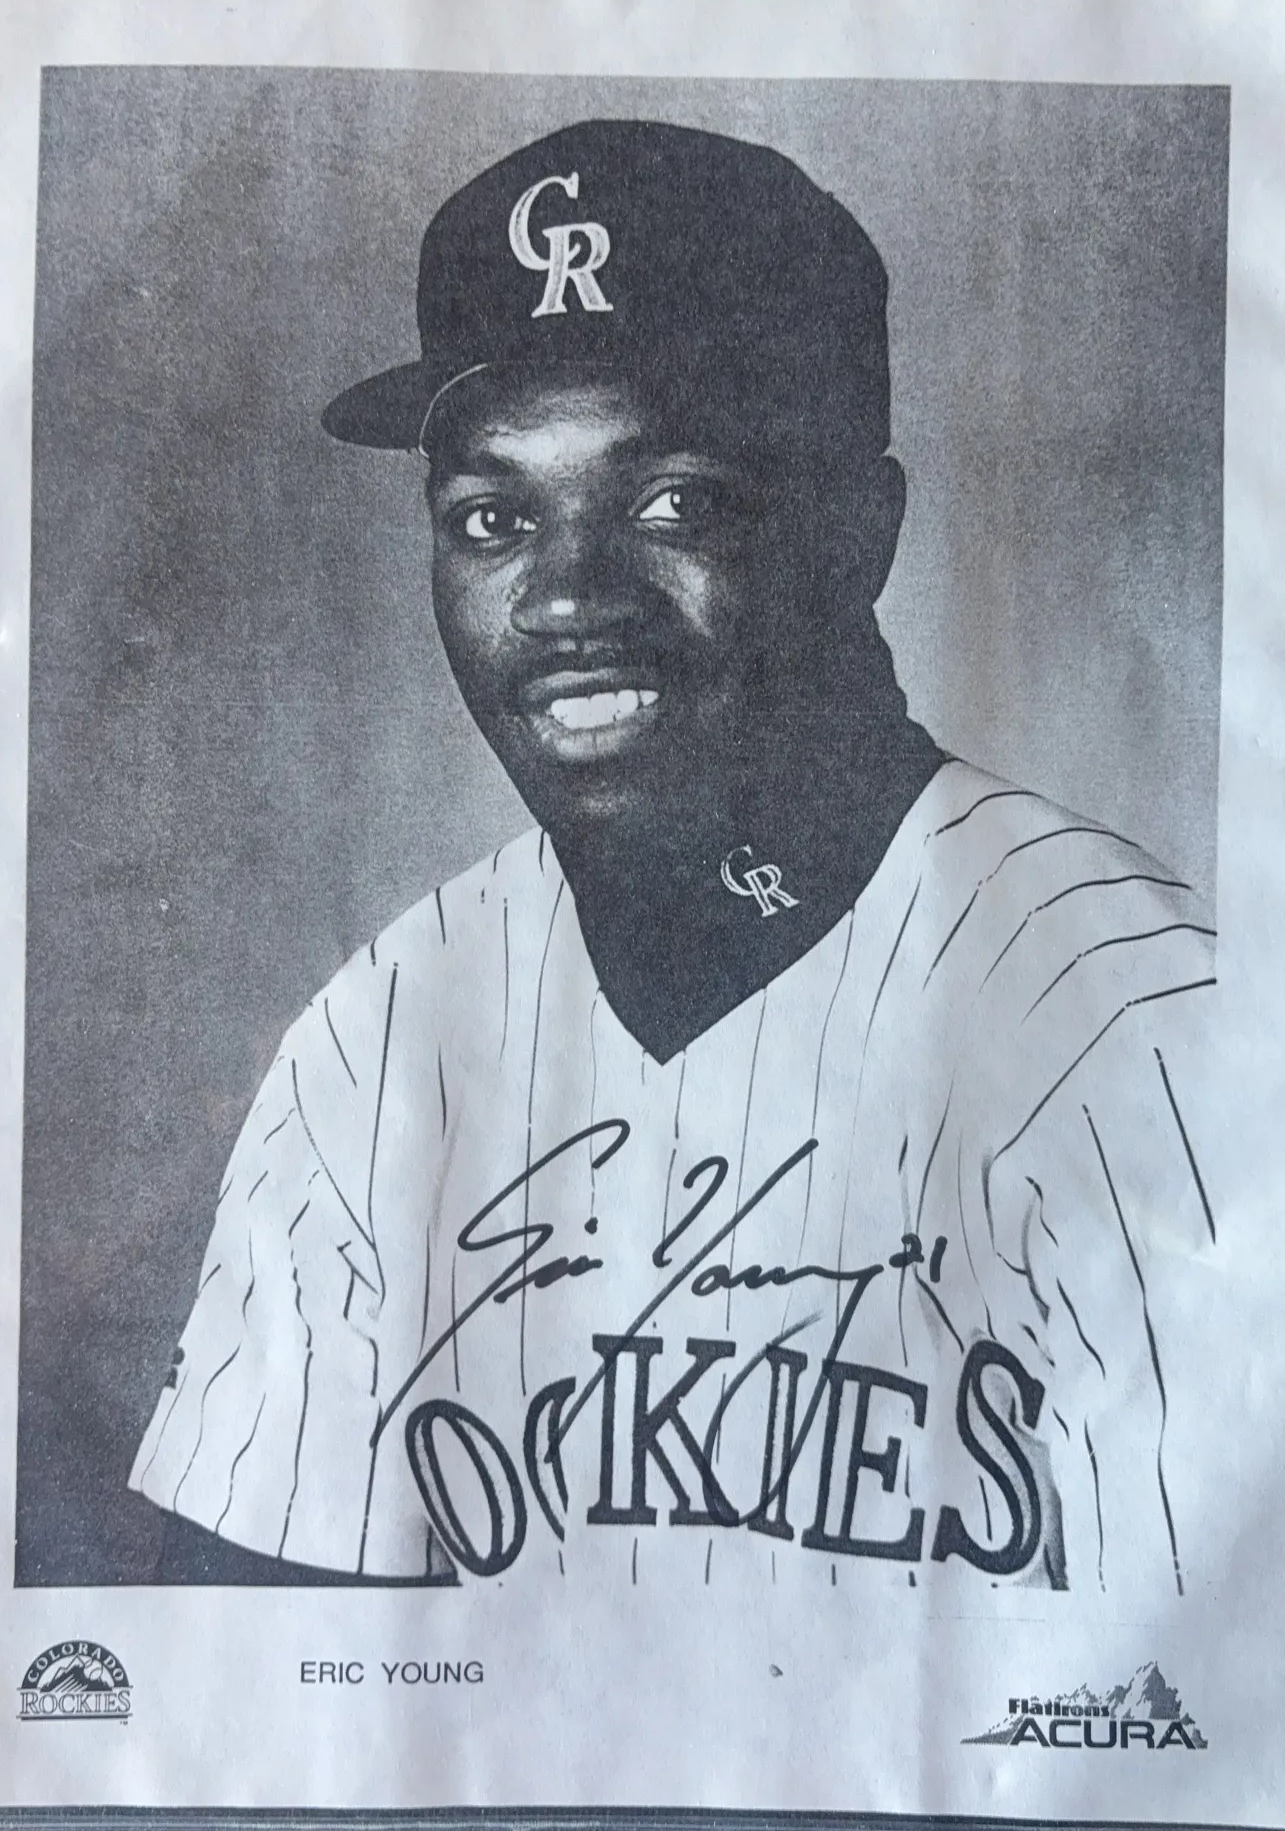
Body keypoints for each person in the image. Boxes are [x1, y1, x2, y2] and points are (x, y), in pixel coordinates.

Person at [131, 119, 1215, 1599]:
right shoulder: (373, 1040)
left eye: (675, 503)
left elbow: (1205, 1693)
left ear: (862, 531)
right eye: (494, 519)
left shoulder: (1134, 1018)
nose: (568, 597)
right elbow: (255, 1671)